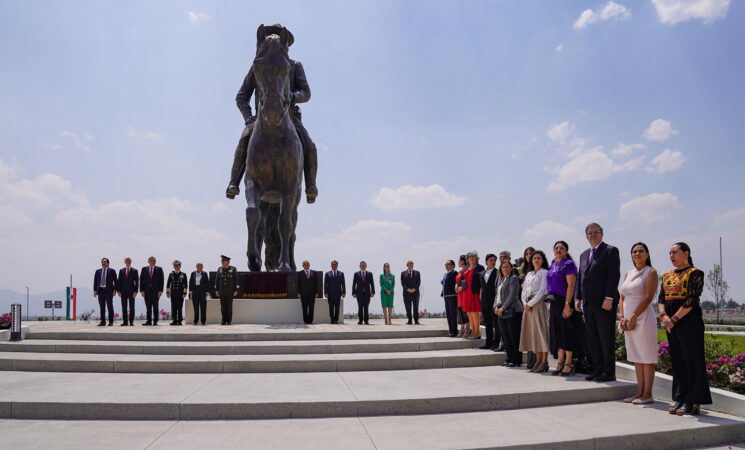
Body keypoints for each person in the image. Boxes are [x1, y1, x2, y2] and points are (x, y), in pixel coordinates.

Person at [226, 23, 318, 204]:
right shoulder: (257, 67)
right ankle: (234, 182)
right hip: (261, 119)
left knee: (309, 145)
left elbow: (306, 93)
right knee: (244, 140)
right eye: (269, 36)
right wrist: (248, 119)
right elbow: (241, 97)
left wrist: (292, 96)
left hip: (289, 116)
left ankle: (310, 184)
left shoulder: (295, 66)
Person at [658, 242, 712, 415]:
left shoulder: (695, 273)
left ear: (686, 253)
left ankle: (693, 399)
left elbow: (691, 299)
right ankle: (680, 397)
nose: (671, 256)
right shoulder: (666, 275)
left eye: (675, 252)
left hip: (688, 322)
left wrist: (674, 319)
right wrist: (664, 317)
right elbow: (661, 299)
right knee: (678, 360)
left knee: (692, 359)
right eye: (669, 253)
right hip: (670, 323)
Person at [575, 223, 621, 382]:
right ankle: (597, 369)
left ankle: (609, 372)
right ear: (586, 236)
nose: (593, 235)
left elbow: (614, 275)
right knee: (593, 338)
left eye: (596, 232)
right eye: (589, 233)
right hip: (587, 304)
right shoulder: (583, 254)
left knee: (605, 337)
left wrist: (609, 297)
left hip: (604, 303)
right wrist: (577, 297)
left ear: (602, 233)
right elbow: (580, 278)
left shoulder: (610, 251)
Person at [619, 243, 659, 404]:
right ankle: (639, 392)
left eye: (641, 251)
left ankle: (648, 394)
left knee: (646, 356)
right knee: (636, 355)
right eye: (634, 251)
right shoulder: (628, 273)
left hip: (643, 317)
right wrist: (622, 316)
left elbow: (649, 296)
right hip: (628, 319)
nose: (637, 254)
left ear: (647, 254)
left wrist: (635, 315)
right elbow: (622, 297)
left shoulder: (651, 272)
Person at [546, 241, 579, 376]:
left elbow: (571, 285)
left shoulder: (568, 264)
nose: (559, 250)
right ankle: (560, 361)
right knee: (557, 332)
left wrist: (567, 304)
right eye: (556, 248)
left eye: (562, 248)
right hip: (554, 302)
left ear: (566, 251)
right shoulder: (552, 264)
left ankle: (569, 363)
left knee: (566, 332)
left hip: (565, 301)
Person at [519, 250, 549, 372]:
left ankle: (544, 361)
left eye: (538, 258)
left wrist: (531, 303)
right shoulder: (529, 274)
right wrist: (525, 304)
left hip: (538, 304)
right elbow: (523, 291)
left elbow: (542, 291)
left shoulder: (544, 273)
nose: (536, 260)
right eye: (534, 258)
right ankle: (538, 360)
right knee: (533, 334)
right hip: (528, 306)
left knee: (541, 333)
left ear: (542, 260)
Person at [494, 261, 523, 367]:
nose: (505, 269)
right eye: (503, 267)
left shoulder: (514, 279)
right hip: (501, 312)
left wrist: (502, 308)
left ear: (511, 268)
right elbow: (497, 296)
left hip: (512, 311)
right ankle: (509, 358)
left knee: (513, 336)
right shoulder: (501, 280)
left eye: (507, 267)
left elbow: (512, 296)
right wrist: (496, 307)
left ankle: (516, 360)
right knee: (505, 337)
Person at [517, 246, 536, 369]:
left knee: (535, 333)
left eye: (531, 253)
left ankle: (536, 361)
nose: (529, 255)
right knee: (528, 334)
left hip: (534, 303)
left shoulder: (537, 268)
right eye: (527, 254)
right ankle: (530, 362)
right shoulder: (523, 270)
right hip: (524, 303)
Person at [458, 251, 482, 339]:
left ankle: (477, 332)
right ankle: (473, 332)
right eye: (470, 257)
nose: (471, 258)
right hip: (466, 293)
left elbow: (481, 282)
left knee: (475, 312)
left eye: (473, 256)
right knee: (469, 313)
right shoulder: (467, 268)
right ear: (467, 259)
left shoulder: (479, 267)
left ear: (476, 258)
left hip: (474, 292)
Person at [479, 254, 500, 350]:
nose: (493, 262)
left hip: (494, 301)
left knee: (496, 324)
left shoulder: (497, 272)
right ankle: (488, 342)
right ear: (486, 261)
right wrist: (480, 301)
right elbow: (481, 289)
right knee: (487, 323)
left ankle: (496, 344)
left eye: (494, 260)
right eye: (491, 260)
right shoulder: (482, 273)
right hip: (484, 301)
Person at [215, 255, 239, 325]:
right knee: (223, 307)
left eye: (224, 261)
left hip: (230, 291)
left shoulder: (233, 269)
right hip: (222, 291)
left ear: (228, 262)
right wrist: (216, 290)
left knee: (229, 307)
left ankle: (229, 321)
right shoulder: (219, 269)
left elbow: (236, 280)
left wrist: (236, 290)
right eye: (222, 261)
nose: (222, 262)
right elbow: (217, 280)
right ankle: (223, 320)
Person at [140, 256, 164, 326]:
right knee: (148, 307)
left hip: (156, 292)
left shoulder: (159, 269)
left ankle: (155, 321)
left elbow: (161, 281)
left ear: (155, 262)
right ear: (148, 261)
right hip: (146, 291)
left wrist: (160, 291)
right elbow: (141, 280)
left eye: (153, 260)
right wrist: (142, 290)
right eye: (150, 260)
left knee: (155, 307)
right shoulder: (144, 269)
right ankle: (149, 321)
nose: (152, 261)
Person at [93, 258, 117, 327]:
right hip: (100, 291)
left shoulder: (112, 271)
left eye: (105, 262)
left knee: (110, 307)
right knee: (102, 308)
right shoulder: (98, 271)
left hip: (109, 291)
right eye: (102, 262)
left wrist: (115, 290)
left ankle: (111, 322)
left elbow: (115, 281)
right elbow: (95, 281)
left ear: (108, 263)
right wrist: (95, 290)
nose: (103, 263)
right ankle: (103, 322)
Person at [117, 257, 139, 326]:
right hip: (123, 292)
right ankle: (125, 322)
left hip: (132, 292)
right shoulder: (121, 271)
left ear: (131, 261)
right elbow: (119, 281)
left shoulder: (135, 271)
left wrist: (136, 291)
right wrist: (118, 291)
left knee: (132, 307)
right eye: (126, 261)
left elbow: (137, 282)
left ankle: (131, 322)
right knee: (124, 307)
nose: (128, 262)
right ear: (125, 262)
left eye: (129, 261)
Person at [166, 260, 187, 326]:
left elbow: (185, 285)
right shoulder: (171, 274)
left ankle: (179, 321)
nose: (176, 266)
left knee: (179, 307)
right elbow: (168, 284)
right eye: (175, 265)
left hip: (180, 294)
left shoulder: (183, 274)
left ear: (180, 266)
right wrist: (168, 292)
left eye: (177, 265)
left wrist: (184, 293)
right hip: (173, 293)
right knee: (173, 307)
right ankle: (174, 320)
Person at [441, 260, 458, 337]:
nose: (446, 265)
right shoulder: (445, 274)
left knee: (453, 314)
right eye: (445, 264)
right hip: (446, 296)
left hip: (452, 296)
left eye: (448, 264)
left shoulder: (454, 273)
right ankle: (450, 331)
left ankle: (454, 331)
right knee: (448, 314)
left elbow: (456, 283)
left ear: (453, 265)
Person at [401, 260, 421, 324]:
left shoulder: (417, 273)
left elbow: (418, 282)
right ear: (407, 265)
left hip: (415, 293)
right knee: (408, 307)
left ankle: (416, 320)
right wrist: (407, 289)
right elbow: (402, 282)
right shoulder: (403, 273)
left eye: (412, 264)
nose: (411, 265)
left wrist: (414, 289)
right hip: (406, 293)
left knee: (416, 307)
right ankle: (409, 320)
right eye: (410, 264)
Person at [455, 255, 470, 338]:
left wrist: (462, 287)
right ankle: (462, 330)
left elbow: (467, 283)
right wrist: (456, 287)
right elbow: (457, 281)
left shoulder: (467, 271)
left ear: (463, 261)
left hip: (465, 294)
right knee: (460, 312)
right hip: (459, 295)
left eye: (459, 260)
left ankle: (467, 331)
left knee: (465, 313)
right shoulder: (460, 272)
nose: (458, 262)